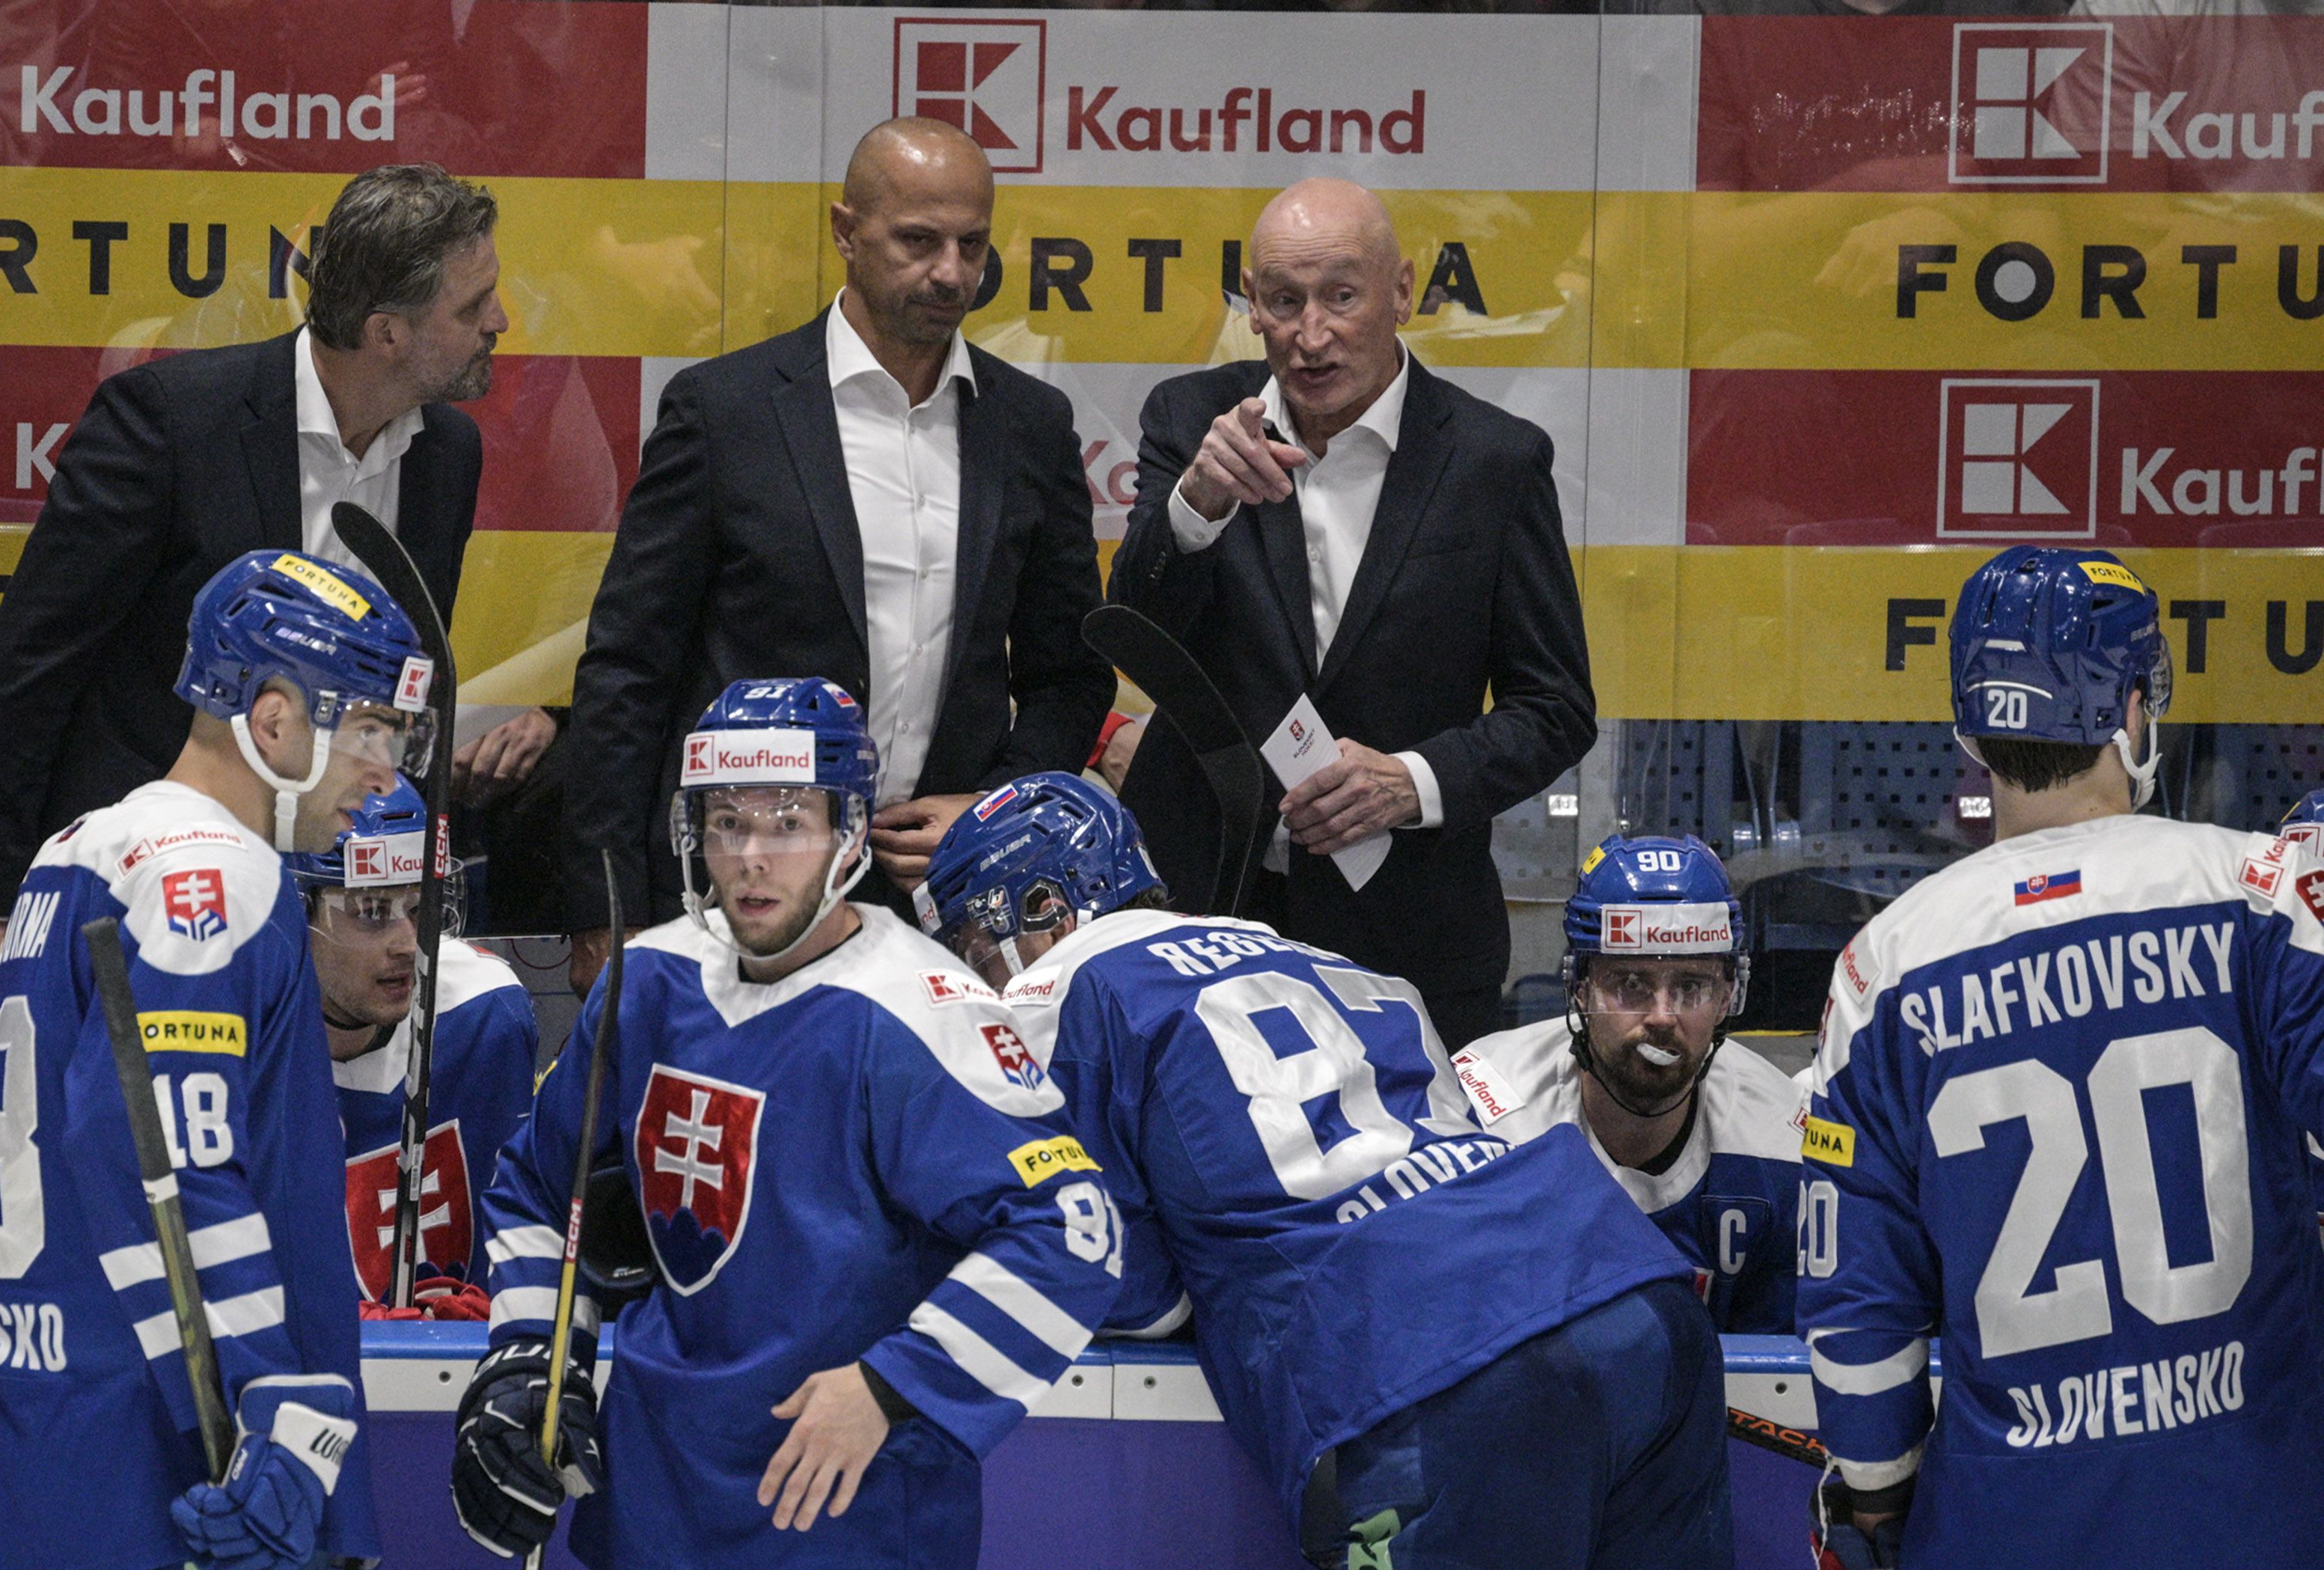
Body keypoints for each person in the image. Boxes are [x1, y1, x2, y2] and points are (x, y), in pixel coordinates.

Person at [923, 772, 1729, 1570]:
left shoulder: (1052, 992)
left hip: (1438, 1369)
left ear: (1036, 910)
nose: (977, 975)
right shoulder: (1333, 961)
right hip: (1631, 1300)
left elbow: (1104, 1278)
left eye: (971, 944)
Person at [456, 678, 1120, 1570]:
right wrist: (536, 1355)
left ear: (850, 833)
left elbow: (1075, 1231)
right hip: (655, 1536)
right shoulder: (652, 978)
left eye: (786, 822)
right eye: (727, 824)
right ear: (692, 835)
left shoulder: (923, 1007)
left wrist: (895, 1383)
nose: (753, 859)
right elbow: (536, 1187)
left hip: (853, 1555)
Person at [1802, 546, 2324, 1570]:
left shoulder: (1883, 968)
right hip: (2269, 1527)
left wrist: (1874, 1508)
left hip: (2008, 1556)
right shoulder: (2256, 893)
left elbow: (1857, 1303)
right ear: (2135, 708)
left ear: (1969, 726)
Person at [0, 549, 429, 1570]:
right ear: (274, 719)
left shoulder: (86, 845)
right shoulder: (218, 873)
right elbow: (169, 1164)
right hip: (188, 1460)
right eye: (369, 726)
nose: (387, 770)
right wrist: (266, 1409)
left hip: (84, 1442)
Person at [0, 162, 536, 974]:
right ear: (388, 332)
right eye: (473, 305)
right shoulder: (171, 424)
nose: (501, 319)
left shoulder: (447, 454)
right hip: (149, 879)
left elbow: (402, 688)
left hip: (334, 901)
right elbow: (35, 659)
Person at [560, 115, 1112, 994]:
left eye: (972, 245)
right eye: (918, 241)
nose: (950, 273)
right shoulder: (725, 412)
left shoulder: (1031, 427)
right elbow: (629, 671)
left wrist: (993, 809)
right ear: (846, 232)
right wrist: (604, 904)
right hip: (741, 887)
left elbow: (1072, 675)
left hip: (947, 899)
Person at [1110, 177, 1595, 1049]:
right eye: (1284, 301)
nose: (1312, 335)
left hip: (1407, 934)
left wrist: (1411, 783)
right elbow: (1139, 635)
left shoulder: (1496, 462)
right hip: (1200, 907)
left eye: (1342, 296)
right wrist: (1197, 504)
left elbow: (1555, 710)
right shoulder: (1195, 422)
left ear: (1403, 293)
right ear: (1251, 306)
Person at [1450, 834, 1804, 1334]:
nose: (1662, 1016)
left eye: (1691, 986)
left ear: (1727, 998)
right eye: (1630, 985)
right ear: (1578, 989)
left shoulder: (1782, 1146)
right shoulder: (1480, 1115)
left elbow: (1780, 1383)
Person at [284, 775, 536, 1319]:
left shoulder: (483, 1014)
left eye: (420, 909)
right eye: (372, 911)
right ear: (290, 914)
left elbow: (522, 1229)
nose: (407, 944)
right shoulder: (235, 1047)